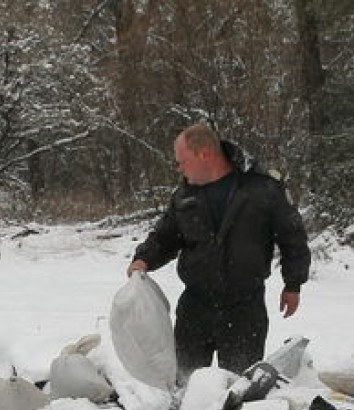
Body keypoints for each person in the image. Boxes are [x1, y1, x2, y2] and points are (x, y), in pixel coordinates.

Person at [127, 123, 310, 383]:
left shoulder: (262, 188)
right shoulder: (184, 195)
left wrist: (293, 283)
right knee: (184, 384)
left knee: (236, 389)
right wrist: (143, 259)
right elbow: (165, 236)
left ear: (205, 154)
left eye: (182, 161)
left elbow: (292, 236)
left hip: (244, 308)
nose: (179, 168)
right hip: (195, 307)